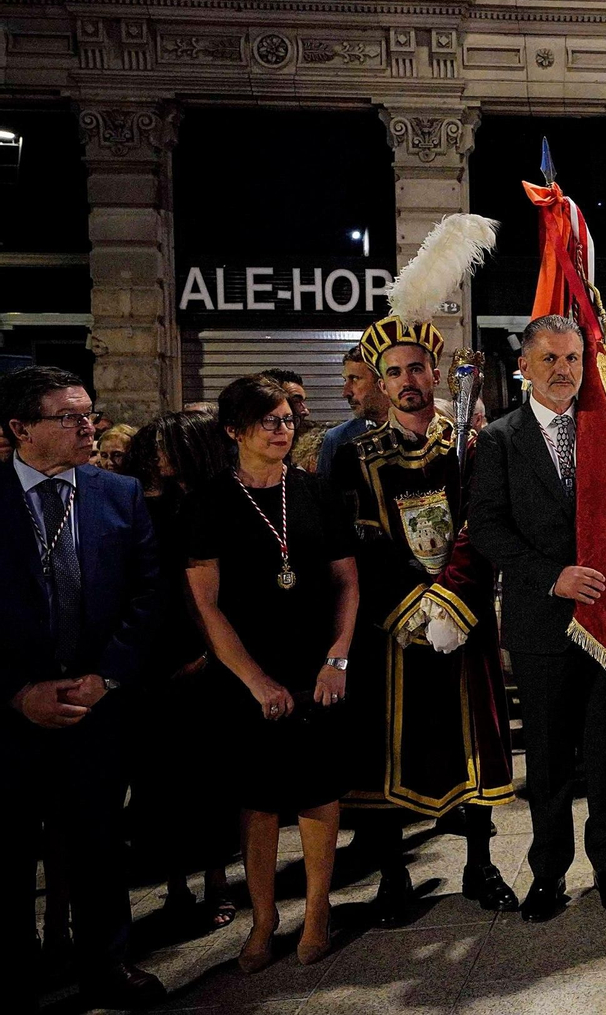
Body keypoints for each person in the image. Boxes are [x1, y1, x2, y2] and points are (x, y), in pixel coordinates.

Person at [330, 310, 518, 928]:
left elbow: (482, 525)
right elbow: (358, 546)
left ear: (436, 372)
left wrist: (455, 600)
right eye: (394, 372)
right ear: (380, 383)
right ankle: (391, 874)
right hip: (395, 626)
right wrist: (412, 603)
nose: (408, 380)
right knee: (392, 744)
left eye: (417, 368)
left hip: (463, 617)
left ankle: (481, 863)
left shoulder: (474, 445)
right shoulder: (356, 456)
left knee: (473, 734)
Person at [470, 314, 606, 921]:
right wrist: (552, 576)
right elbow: (487, 528)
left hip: (604, 625)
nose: (563, 371)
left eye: (572, 359)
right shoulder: (498, 439)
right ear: (524, 367)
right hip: (541, 622)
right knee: (546, 760)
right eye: (549, 360)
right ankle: (547, 875)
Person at [0, 366, 164, 1010]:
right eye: (69, 417)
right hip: (12, 719)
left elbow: (148, 597)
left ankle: (107, 965)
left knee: (99, 844)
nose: (88, 427)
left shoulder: (117, 494)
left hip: (96, 710)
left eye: (89, 414)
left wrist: (107, 677)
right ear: (20, 429)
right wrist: (16, 694)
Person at [186, 376, 357, 971]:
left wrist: (337, 657)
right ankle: (263, 918)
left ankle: (316, 913)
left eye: (287, 419)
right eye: (268, 421)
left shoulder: (314, 491)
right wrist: (255, 680)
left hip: (315, 666)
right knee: (257, 801)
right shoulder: (208, 500)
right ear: (234, 430)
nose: (282, 429)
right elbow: (205, 602)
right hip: (243, 669)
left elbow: (346, 581)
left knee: (317, 792)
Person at [124, 411, 238, 935]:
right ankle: (175, 886)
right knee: (161, 784)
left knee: (213, 780)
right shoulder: (147, 506)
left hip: (213, 658)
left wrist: (212, 653)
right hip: (157, 659)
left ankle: (217, 882)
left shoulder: (221, 501)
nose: (158, 457)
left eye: (168, 448)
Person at [318, 345, 391, 476]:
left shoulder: (418, 431)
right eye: (345, 380)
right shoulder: (337, 440)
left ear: (382, 382)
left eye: (355, 379)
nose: (345, 392)